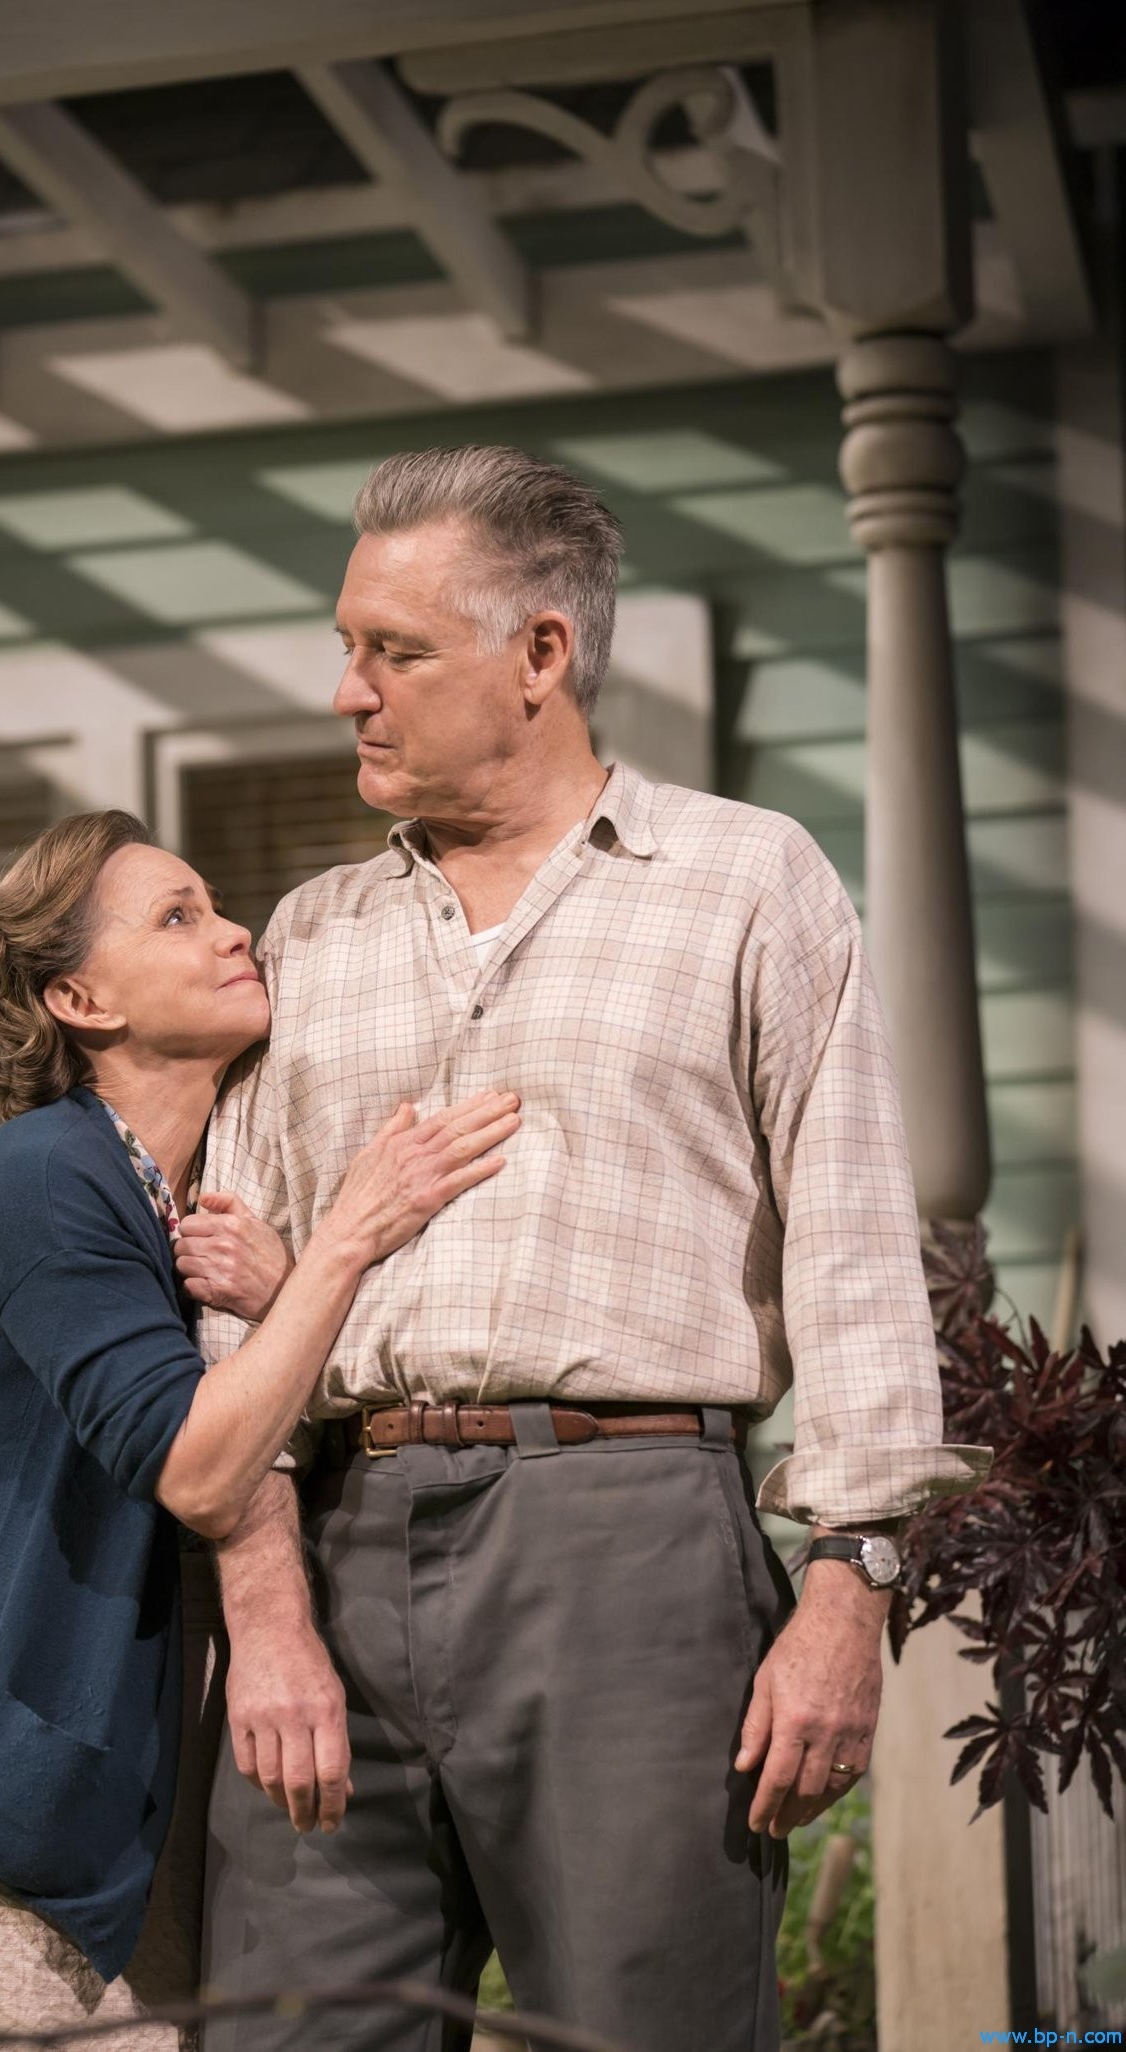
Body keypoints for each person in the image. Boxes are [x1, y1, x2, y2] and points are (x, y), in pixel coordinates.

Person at [181, 445, 993, 2052]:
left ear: (542, 654)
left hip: (631, 1551)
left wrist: (851, 1586)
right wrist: (265, 1612)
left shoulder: (746, 883)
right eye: (350, 646)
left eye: (395, 652)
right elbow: (225, 1306)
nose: (348, 692)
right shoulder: (308, 937)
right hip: (336, 1550)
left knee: (646, 2031)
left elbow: (851, 1256)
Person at [0, 807, 519, 2052]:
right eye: (178, 916)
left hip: (139, 1821)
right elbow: (202, 1467)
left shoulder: (182, 1196)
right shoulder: (45, 1176)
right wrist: (355, 1235)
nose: (234, 932)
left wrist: (285, 1286)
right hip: (14, 1836)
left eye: (213, 905)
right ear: (82, 997)